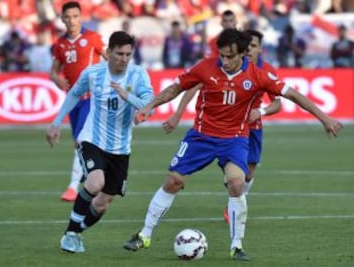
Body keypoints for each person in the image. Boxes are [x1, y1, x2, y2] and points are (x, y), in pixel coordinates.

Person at [122, 28, 343, 261]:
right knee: (173, 181)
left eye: (230, 57)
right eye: (222, 56)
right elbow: (176, 88)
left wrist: (324, 118)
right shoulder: (205, 67)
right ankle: (144, 234)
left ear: (242, 55)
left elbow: (295, 96)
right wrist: (151, 105)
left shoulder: (258, 76)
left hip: (235, 138)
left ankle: (236, 246)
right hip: (201, 136)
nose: (224, 61)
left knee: (237, 184)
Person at [46, 30, 154, 253]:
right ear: (108, 52)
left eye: (128, 54)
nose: (124, 59)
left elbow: (149, 103)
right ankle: (71, 234)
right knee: (95, 183)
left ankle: (76, 231)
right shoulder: (93, 73)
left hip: (121, 147)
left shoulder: (138, 75)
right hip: (92, 139)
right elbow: (74, 94)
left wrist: (129, 98)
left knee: (103, 203)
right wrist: (56, 123)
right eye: (119, 54)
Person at [162, 29, 282, 224]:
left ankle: (235, 201)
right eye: (248, 45)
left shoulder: (265, 72)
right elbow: (192, 85)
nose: (250, 49)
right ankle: (233, 203)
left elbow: (278, 103)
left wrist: (261, 112)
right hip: (223, 128)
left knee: (249, 171)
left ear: (260, 49)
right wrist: (178, 113)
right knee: (234, 176)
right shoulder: (219, 66)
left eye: (254, 46)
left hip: (252, 125)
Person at [50, 1, 107, 202]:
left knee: (82, 140)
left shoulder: (92, 38)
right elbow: (53, 70)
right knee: (79, 143)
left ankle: (73, 187)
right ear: (63, 19)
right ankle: (94, 175)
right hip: (74, 100)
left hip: (91, 98)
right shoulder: (60, 44)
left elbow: (111, 59)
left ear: (81, 17)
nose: (72, 20)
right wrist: (55, 77)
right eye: (68, 17)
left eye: (75, 16)